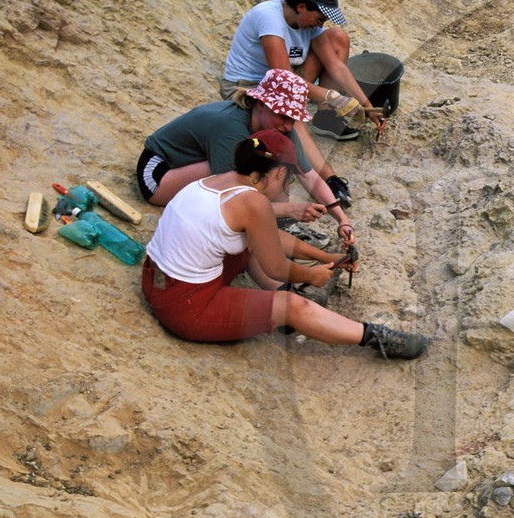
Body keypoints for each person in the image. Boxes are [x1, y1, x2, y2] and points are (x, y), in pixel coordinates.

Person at [140, 131, 427, 360]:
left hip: (156, 280)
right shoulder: (252, 203)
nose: (287, 185)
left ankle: (285, 305)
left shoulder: (216, 181)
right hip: (187, 307)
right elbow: (275, 265)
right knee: (293, 307)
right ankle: (375, 337)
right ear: (278, 173)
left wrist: (325, 256)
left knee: (251, 246)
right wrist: (311, 275)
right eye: (288, 178)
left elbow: (268, 239)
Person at [136, 69, 353, 243]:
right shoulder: (230, 126)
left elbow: (308, 175)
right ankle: (280, 223)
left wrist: (341, 219)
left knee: (280, 163)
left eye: (293, 118)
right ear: (260, 104)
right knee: (253, 176)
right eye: (282, 115)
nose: (288, 124)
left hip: (193, 163)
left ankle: (283, 226)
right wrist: (289, 209)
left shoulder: (283, 128)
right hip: (158, 174)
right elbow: (232, 196)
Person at [221, 0, 386, 201]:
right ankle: (329, 179)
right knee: (291, 115)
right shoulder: (269, 17)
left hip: (284, 75)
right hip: (249, 85)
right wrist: (333, 96)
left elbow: (334, 65)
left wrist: (367, 106)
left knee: (337, 38)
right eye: (319, 19)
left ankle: (326, 119)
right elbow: (284, 79)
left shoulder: (306, 20)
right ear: (301, 7)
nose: (321, 24)